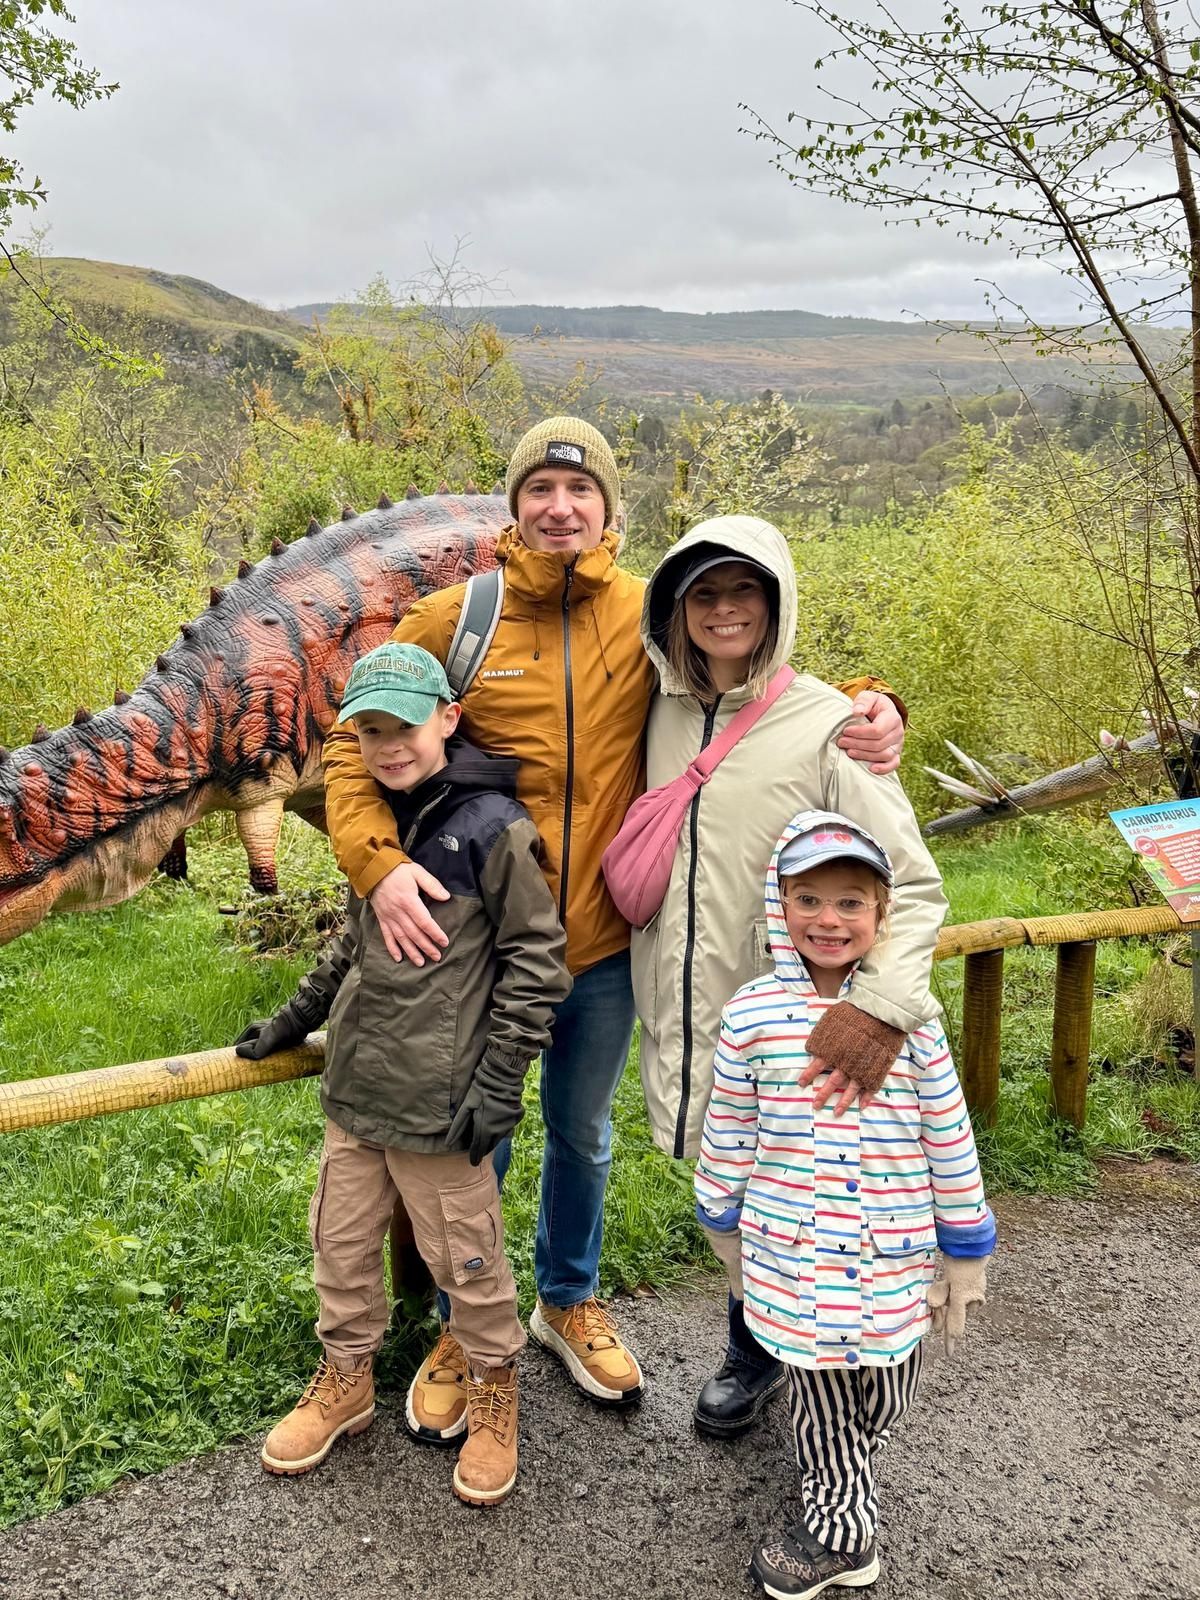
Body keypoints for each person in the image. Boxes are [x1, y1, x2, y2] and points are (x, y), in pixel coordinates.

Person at [319, 418, 904, 1423]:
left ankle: (568, 1299)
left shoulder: (645, 615)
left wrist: (867, 699)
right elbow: (351, 741)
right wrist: (375, 867)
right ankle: (468, 1325)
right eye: (539, 486)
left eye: (578, 489)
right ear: (514, 504)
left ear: (609, 510)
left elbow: (748, 675)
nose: (559, 506)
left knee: (582, 1134)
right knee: (475, 1146)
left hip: (595, 947)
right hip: (471, 960)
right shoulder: (457, 619)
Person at [632, 515, 948, 1440]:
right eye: (704, 594)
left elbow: (915, 885)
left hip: (801, 1031)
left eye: (744, 590)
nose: (725, 610)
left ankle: (779, 1362)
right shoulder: (657, 709)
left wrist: (878, 1013)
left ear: (776, 603)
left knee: (790, 1185)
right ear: (675, 611)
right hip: (695, 1015)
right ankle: (772, 1340)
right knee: (740, 1188)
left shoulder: (827, 724)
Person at [244, 641, 571, 1507]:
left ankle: (495, 1385)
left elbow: (539, 961)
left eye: (406, 725)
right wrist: (293, 1019)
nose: (390, 745)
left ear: (447, 720)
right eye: (371, 731)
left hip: (444, 1102)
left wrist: (502, 1078)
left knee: (467, 1257)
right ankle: (346, 1377)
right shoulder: (376, 835)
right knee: (341, 1246)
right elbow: (350, 943)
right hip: (358, 1092)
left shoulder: (495, 828)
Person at [694, 810, 994, 1600]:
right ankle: (840, 1531)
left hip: (889, 1248)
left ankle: (842, 1467)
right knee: (820, 1390)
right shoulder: (752, 1015)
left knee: (886, 1379)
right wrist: (720, 1216)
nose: (828, 919)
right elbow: (728, 1123)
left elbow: (948, 1132)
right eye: (809, 899)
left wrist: (966, 1246)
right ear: (779, 906)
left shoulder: (910, 1021)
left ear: (881, 913)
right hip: (790, 1245)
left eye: (851, 902)